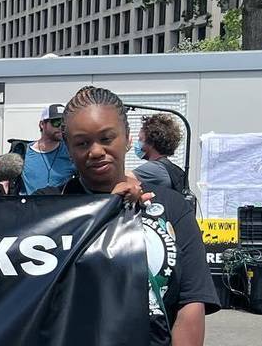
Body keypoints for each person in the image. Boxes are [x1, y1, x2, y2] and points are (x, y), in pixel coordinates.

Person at [35, 86, 217, 346]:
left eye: (107, 138)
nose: (96, 151)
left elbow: (191, 301)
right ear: (68, 147)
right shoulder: (48, 207)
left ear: (128, 138)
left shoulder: (173, 207)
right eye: (82, 143)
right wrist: (107, 208)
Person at [17, 103, 76, 195]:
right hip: (29, 207)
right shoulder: (23, 153)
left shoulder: (71, 152)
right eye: (56, 122)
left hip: (60, 207)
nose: (61, 127)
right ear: (42, 124)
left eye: (64, 123)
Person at [133, 114, 188, 194]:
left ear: (151, 143)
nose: (138, 143)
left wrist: (122, 150)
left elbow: (117, 180)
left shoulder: (154, 169)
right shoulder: (172, 169)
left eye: (140, 139)